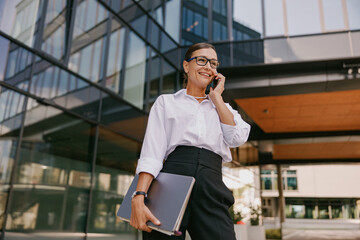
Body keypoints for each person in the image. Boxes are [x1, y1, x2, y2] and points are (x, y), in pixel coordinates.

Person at [130, 42, 251, 240]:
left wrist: (217, 98)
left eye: (213, 63)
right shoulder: (166, 103)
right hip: (169, 183)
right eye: (201, 60)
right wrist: (139, 196)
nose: (208, 66)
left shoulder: (224, 109)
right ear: (186, 66)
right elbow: (152, 154)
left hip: (211, 185)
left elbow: (236, 137)